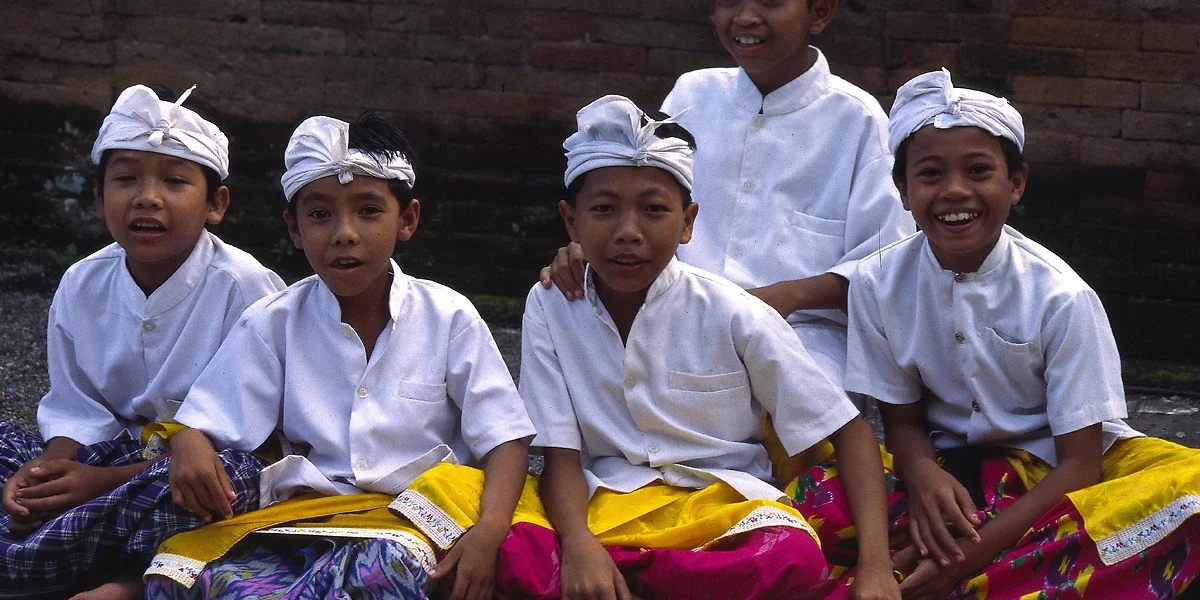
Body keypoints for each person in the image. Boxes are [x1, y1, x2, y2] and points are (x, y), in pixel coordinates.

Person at [509, 95, 898, 600]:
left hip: (724, 511)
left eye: (654, 210)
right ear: (571, 222)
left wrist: (875, 566)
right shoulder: (551, 306)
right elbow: (560, 458)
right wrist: (580, 542)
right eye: (604, 210)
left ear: (688, 222)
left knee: (790, 557)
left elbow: (849, 432)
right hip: (602, 509)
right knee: (502, 544)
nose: (628, 233)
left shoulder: (733, 310)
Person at [833, 68, 1200, 599]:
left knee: (1187, 495)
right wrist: (920, 474)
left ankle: (964, 576)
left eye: (979, 170)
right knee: (819, 499)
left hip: (1058, 474)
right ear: (902, 192)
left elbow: (1081, 464)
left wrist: (966, 555)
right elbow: (902, 421)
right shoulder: (874, 283)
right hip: (952, 471)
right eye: (930, 174)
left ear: (1017, 183)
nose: (956, 191)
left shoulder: (1062, 298)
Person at [144, 114, 538, 600]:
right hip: (304, 517)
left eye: (368, 211)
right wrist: (189, 442)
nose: (344, 234)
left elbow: (505, 439)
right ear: (293, 228)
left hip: (413, 523)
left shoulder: (448, 317)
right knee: (178, 579)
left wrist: (490, 531)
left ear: (408, 220)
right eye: (320, 214)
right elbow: (209, 420)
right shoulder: (274, 321)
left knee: (384, 574)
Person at [0, 84, 284, 600]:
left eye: (175, 181)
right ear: (98, 198)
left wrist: (95, 485)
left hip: (185, 474)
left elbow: (259, 441)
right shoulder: (81, 283)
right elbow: (76, 407)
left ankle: (126, 580)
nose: (147, 198)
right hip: (104, 463)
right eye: (126, 178)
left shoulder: (245, 287)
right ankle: (73, 553)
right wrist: (46, 474)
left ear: (216, 203)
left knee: (229, 484)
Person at [540, 0, 914, 389]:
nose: (746, 16)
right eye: (730, 0)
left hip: (803, 339)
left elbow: (886, 265)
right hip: (675, 319)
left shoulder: (858, 119)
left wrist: (784, 297)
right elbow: (642, 202)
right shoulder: (692, 94)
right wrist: (597, 251)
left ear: (818, 13)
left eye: (770, 1)